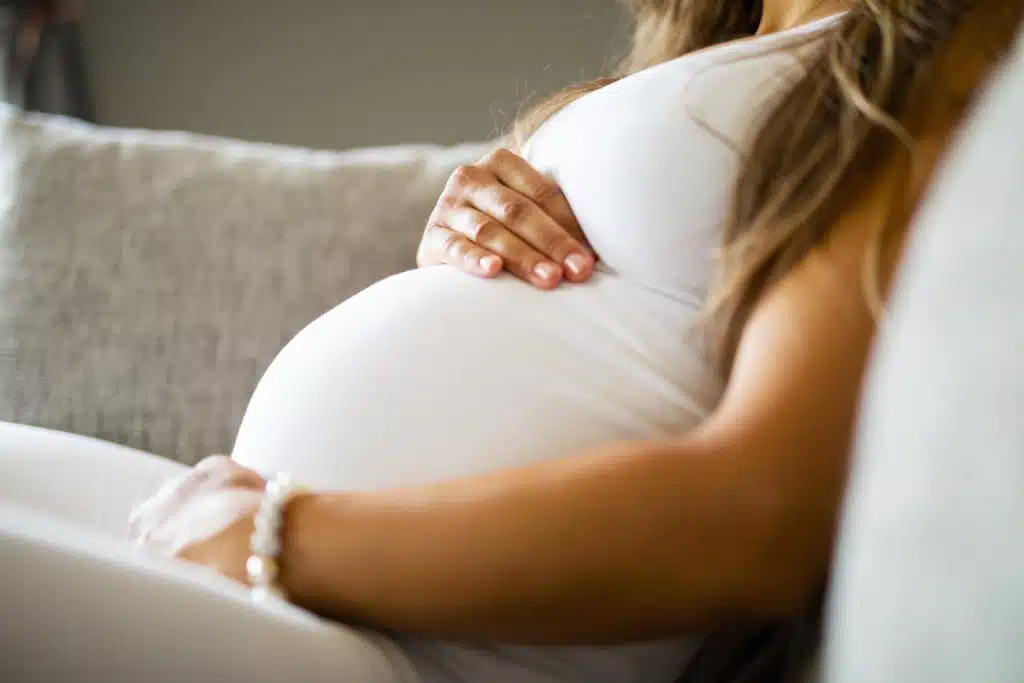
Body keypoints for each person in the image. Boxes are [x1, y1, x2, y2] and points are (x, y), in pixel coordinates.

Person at [1, 0, 1020, 681]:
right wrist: (466, 243)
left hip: (405, 641)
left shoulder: (942, 53)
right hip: (293, 578)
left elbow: (759, 514)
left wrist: (280, 539)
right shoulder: (725, 40)